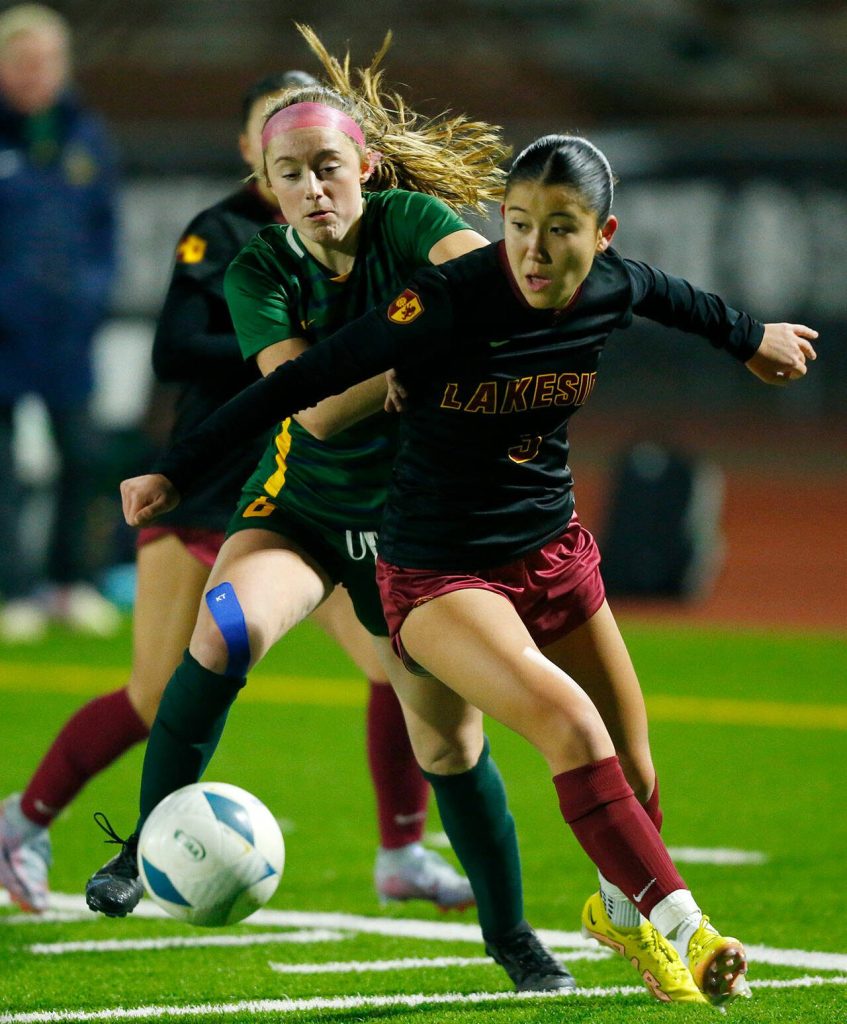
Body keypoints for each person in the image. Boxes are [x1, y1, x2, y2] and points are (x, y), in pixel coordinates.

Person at [118, 132, 817, 1007]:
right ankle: (688, 929)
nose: (532, 250)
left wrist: (752, 338)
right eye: (517, 223)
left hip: (552, 551)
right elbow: (299, 384)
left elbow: (680, 300)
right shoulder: (447, 299)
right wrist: (176, 470)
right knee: (569, 725)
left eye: (558, 228)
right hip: (437, 572)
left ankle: (618, 916)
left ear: (602, 235)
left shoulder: (612, 285)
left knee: (635, 777)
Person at [85, 27, 575, 996]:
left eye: (326, 167)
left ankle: (512, 936)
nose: (311, 188)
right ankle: (144, 844)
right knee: (222, 632)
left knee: (449, 745)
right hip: (301, 510)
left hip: (413, 534)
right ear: (266, 187)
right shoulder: (256, 269)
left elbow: (492, 280)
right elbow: (309, 409)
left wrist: (471, 316)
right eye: (289, 174)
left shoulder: (409, 220)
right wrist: (412, 359)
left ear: (366, 169)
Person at [0, 69, 473, 918]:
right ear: (253, 153)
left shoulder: (376, 231)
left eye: (315, 149)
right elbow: (175, 348)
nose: (296, 163)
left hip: (309, 494)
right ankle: (22, 824)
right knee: (156, 694)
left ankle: (401, 852)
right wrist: (286, 355)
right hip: (212, 487)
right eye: (273, 140)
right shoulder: (225, 237)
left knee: (392, 664)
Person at [0, 3, 120, 642]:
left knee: (83, 457)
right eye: (22, 60)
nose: (34, 72)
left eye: (46, 60)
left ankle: (73, 582)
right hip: (1, 336)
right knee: (2, 472)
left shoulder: (87, 136)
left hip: (67, 335)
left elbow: (105, 231)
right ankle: (12, 589)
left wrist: (92, 299)